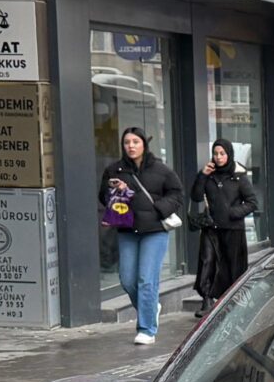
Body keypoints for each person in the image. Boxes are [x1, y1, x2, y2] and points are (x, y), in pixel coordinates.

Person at [101, 127, 187, 345]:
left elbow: (177, 194)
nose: (131, 146)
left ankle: (147, 329)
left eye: (135, 142)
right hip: (127, 229)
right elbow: (102, 196)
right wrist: (116, 191)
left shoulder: (161, 169)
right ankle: (151, 307)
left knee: (146, 280)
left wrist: (160, 209)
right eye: (127, 142)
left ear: (144, 145)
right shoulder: (115, 170)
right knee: (128, 280)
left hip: (154, 231)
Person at [192, 139, 258, 305]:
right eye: (215, 154)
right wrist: (203, 175)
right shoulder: (209, 175)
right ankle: (206, 299)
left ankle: (232, 301)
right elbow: (196, 196)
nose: (219, 157)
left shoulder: (239, 177)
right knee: (208, 261)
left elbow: (252, 202)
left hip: (233, 228)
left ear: (229, 154)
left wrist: (233, 213)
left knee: (231, 266)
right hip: (211, 227)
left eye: (222, 153)